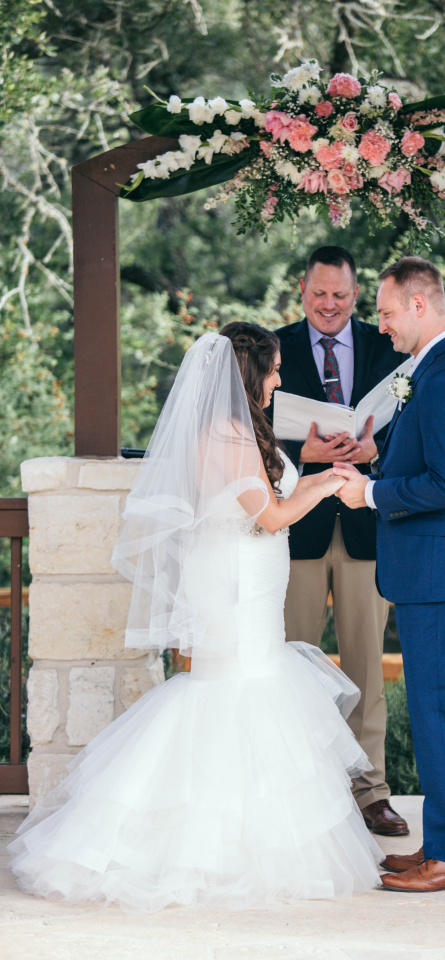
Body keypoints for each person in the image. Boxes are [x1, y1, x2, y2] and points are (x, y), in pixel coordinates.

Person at [9, 323, 383, 913]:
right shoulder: (226, 437)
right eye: (275, 369)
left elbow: (273, 496)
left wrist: (318, 477)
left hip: (247, 580)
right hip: (232, 584)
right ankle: (207, 848)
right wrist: (330, 484)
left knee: (250, 688)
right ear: (250, 375)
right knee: (233, 691)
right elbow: (273, 517)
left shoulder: (240, 431)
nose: (281, 379)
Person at [334, 257, 445, 893]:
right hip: (433, 569)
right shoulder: (432, 369)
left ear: (420, 306)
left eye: (388, 311)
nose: (383, 324)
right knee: (435, 712)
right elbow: (427, 455)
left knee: (436, 713)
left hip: (440, 570)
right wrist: (378, 452)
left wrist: (370, 495)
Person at [274, 246, 410, 837]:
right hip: (295, 524)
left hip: (364, 527)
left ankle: (370, 792)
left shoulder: (388, 348)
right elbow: (246, 428)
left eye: (341, 296)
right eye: (319, 294)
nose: (329, 306)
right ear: (302, 289)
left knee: (364, 670)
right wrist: (301, 454)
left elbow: (412, 424)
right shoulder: (273, 348)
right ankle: (293, 787)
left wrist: (378, 449)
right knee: (289, 666)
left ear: (356, 296)